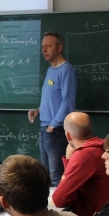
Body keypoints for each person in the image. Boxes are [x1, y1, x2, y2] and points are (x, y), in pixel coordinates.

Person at [51, 112, 109, 216]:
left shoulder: (85, 154)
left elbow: (59, 199)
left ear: (68, 135)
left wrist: (70, 158)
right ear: (91, 129)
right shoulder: (102, 146)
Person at [28, 32, 77, 186]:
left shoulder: (66, 71)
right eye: (42, 46)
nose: (44, 50)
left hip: (56, 131)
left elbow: (68, 103)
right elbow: (52, 99)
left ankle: (58, 209)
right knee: (46, 176)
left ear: (59, 48)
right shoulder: (51, 70)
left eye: (48, 46)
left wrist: (53, 125)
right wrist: (39, 110)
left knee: (57, 177)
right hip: (45, 128)